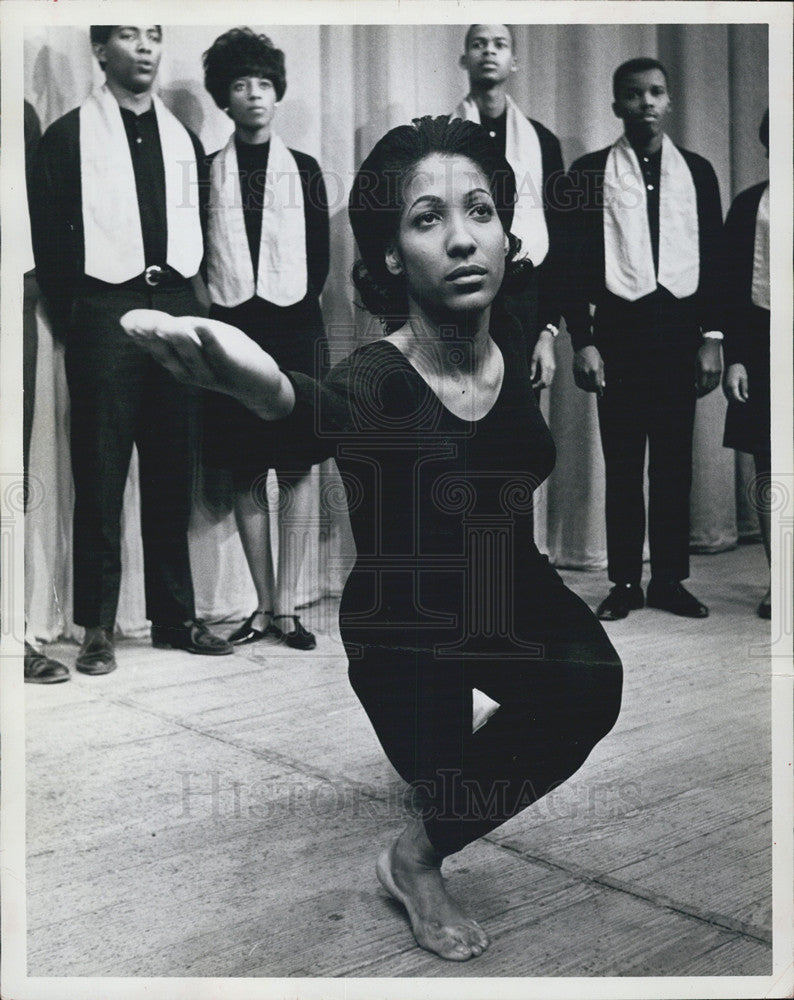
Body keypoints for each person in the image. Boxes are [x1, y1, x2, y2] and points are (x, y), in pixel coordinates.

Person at [121, 116, 623, 961]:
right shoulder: (373, 379)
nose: (463, 240)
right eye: (428, 220)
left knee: (590, 685)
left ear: (506, 231)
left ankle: (413, 851)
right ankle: (416, 863)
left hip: (510, 591)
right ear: (391, 254)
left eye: (480, 212)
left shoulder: (511, 327)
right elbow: (312, 409)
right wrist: (262, 383)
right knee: (449, 786)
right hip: (407, 630)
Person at [29, 25, 232, 675]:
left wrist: (192, 313)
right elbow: (50, 242)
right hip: (105, 312)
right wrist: (80, 315)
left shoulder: (184, 139)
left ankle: (175, 617)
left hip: (175, 305)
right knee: (100, 471)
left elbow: (201, 229)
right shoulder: (66, 136)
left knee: (174, 465)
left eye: (153, 36)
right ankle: (97, 625)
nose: (145, 48)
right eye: (128, 36)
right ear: (100, 49)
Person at [564, 58, 723, 621]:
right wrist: (583, 340)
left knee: (675, 464)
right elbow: (572, 267)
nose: (646, 103)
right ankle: (626, 581)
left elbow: (719, 263)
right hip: (619, 339)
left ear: (670, 101)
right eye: (634, 95)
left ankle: (671, 580)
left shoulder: (698, 172)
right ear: (616, 105)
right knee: (625, 467)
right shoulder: (587, 174)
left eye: (656, 92)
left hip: (680, 340)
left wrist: (713, 338)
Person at [201, 28, 329, 650]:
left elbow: (321, 261)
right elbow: (198, 257)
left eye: (263, 84)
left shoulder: (303, 170)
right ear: (224, 98)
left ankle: (287, 609)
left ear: (277, 93)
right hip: (233, 332)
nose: (253, 95)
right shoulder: (205, 173)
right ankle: (259, 605)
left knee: (298, 465)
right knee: (248, 467)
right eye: (239, 85)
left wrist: (289, 311)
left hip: (295, 329)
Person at [454, 24, 565, 391]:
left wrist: (547, 333)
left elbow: (559, 238)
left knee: (520, 429)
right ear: (464, 58)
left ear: (514, 61)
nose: (488, 51)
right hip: (461, 293)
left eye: (499, 45)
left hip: (523, 301)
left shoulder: (543, 142)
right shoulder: (442, 139)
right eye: (479, 44)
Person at [22, 99, 70, 683]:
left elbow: (33, 216)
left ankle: (13, 634)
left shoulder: (21, 109)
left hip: (12, 295)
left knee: (8, 473)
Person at [722, 110, 771, 619]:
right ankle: (780, 580)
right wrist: (735, 357)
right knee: (771, 466)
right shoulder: (749, 205)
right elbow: (731, 289)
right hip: (761, 346)